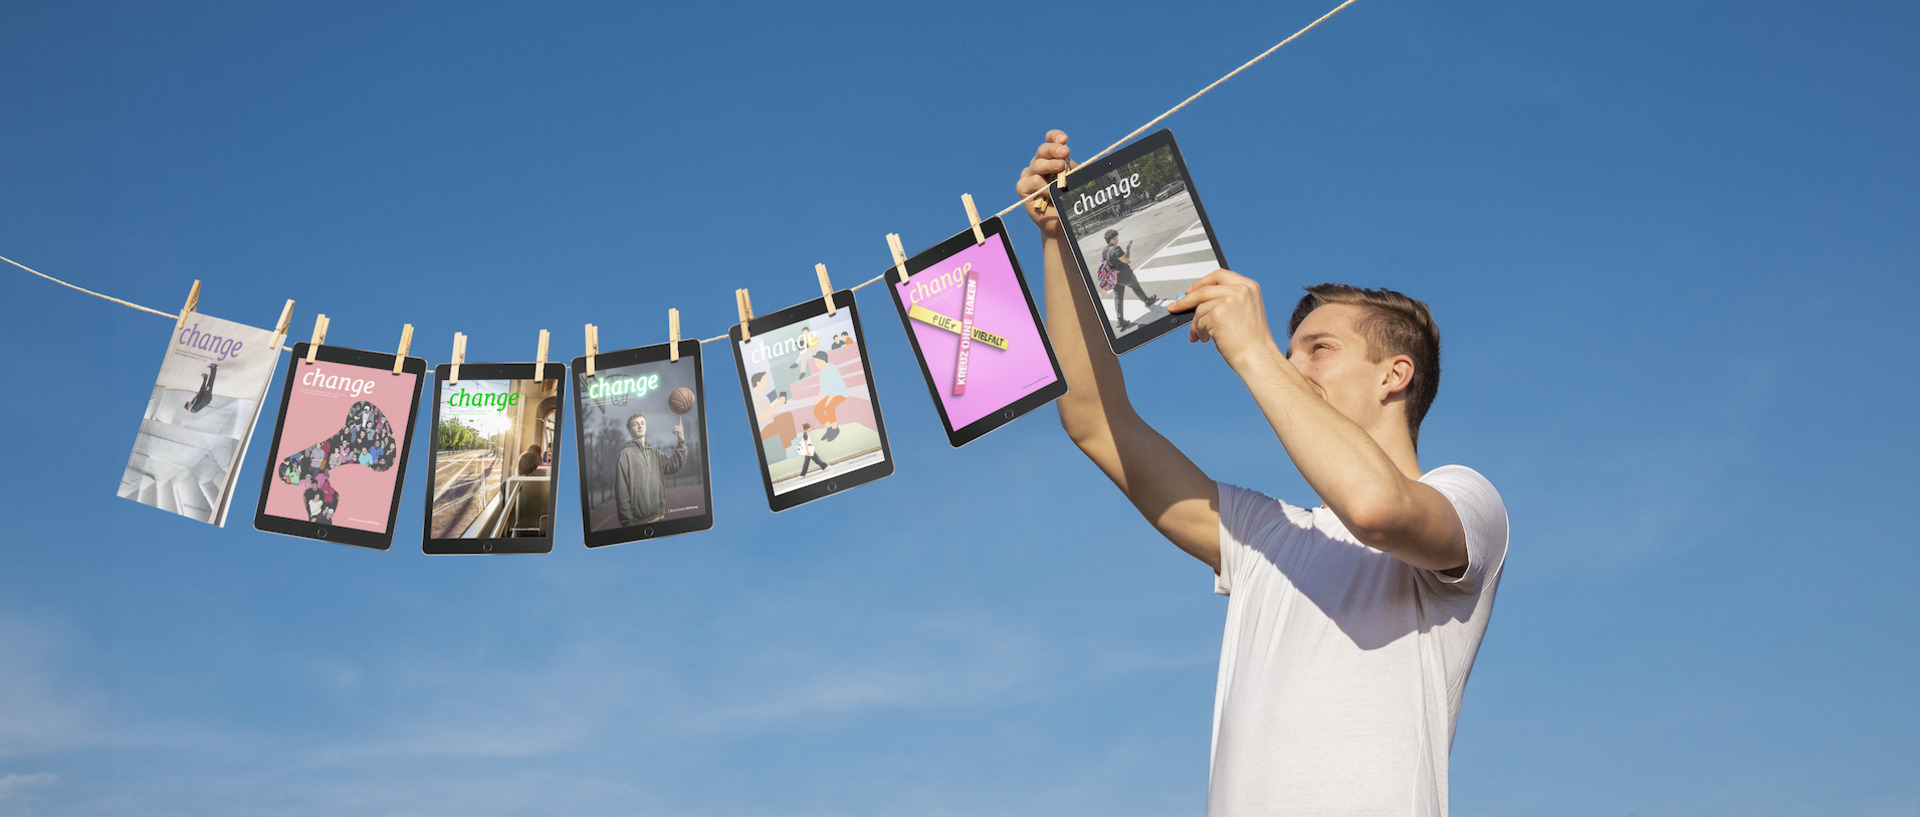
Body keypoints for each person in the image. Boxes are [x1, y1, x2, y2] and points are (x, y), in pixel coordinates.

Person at [1017, 130, 1508, 816]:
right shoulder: (1266, 535)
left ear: (1396, 375)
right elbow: (1096, 423)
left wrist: (1255, 352)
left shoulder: (1467, 498)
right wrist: (1059, 245)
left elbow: (1374, 504)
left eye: (1319, 348)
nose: (1293, 363)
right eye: (1288, 349)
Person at [614, 411, 686, 526]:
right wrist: (628, 524)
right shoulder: (625, 455)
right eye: (635, 424)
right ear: (629, 430)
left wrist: (681, 440)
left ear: (646, 427)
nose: (640, 426)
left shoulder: (654, 453)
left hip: (658, 516)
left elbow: (674, 465)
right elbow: (621, 492)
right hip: (638, 522)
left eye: (642, 423)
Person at [1101, 229, 1159, 330]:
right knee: (1136, 286)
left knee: (1118, 297)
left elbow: (1107, 262)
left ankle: (1120, 320)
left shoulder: (1104, 251)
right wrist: (1128, 249)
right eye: (1116, 238)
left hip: (1113, 277)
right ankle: (1147, 301)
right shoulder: (1116, 249)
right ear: (1112, 239)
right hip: (1124, 275)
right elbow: (1126, 259)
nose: (1117, 240)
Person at [807, 351, 848, 441]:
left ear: (822, 361)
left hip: (839, 393)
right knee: (817, 410)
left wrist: (830, 399)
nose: (816, 364)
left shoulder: (831, 368)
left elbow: (835, 384)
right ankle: (829, 428)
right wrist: (819, 398)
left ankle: (835, 429)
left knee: (829, 407)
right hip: (830, 395)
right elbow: (822, 387)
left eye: (817, 362)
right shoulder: (822, 373)